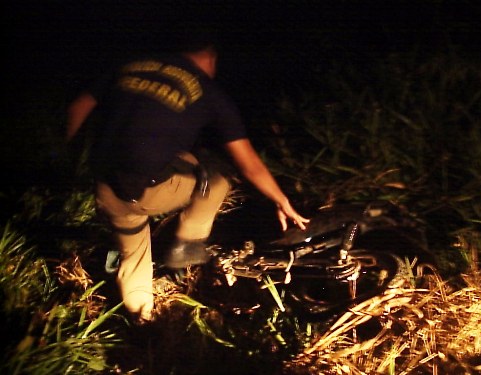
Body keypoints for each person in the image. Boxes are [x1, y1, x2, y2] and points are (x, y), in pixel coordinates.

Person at [66, 35, 309, 324]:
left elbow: (77, 108)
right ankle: (187, 245)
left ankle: (141, 318)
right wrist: (281, 200)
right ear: (210, 57)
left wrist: (68, 159)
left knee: (133, 250)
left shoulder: (130, 66)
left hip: (107, 188)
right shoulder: (208, 89)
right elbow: (248, 163)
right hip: (155, 189)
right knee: (216, 174)